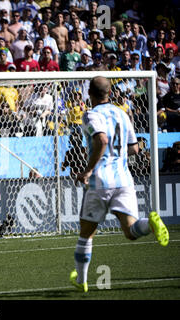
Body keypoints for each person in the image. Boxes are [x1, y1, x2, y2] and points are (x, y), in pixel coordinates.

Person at [70, 76, 170, 293]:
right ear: (109, 93)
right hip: (124, 180)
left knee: (86, 232)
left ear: (90, 94)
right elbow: (134, 148)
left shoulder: (91, 115)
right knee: (131, 231)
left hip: (100, 181)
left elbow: (102, 140)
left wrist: (87, 170)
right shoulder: (122, 113)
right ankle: (150, 224)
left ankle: (82, 280)